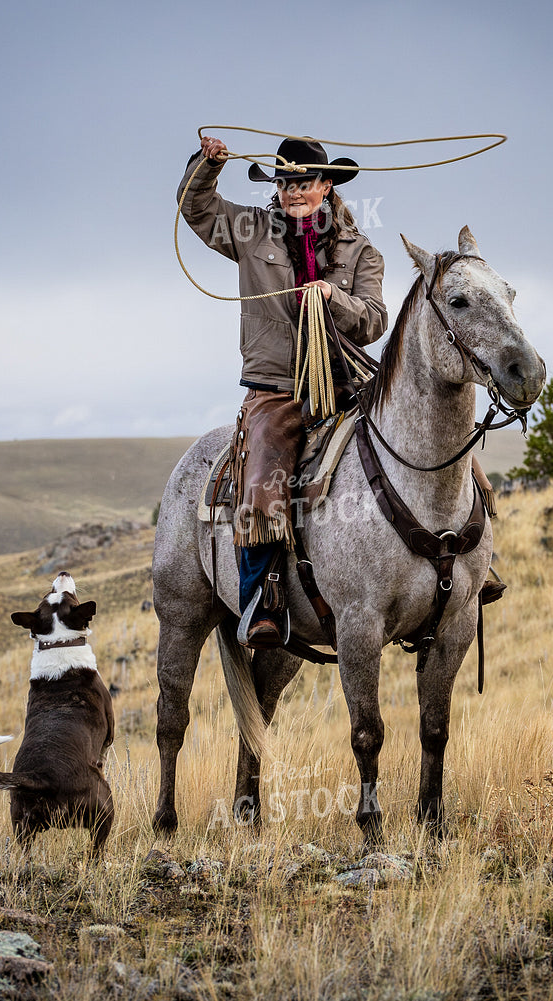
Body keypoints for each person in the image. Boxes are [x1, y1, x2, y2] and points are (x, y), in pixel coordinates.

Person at [178, 135, 388, 649]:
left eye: (305, 181)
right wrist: (206, 166)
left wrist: (333, 298)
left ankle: (471, 558)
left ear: (327, 185)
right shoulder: (250, 232)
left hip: (347, 379)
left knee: (421, 424)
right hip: (276, 385)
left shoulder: (362, 252)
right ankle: (263, 599)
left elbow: (374, 321)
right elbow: (196, 208)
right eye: (286, 181)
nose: (294, 191)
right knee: (263, 470)